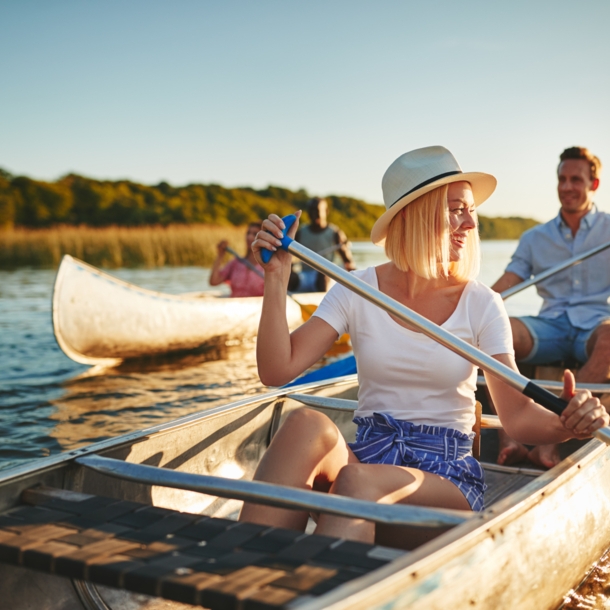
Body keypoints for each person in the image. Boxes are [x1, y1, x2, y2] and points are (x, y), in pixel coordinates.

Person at [238, 146, 607, 548]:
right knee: (303, 425)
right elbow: (276, 371)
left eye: (470, 211)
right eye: (456, 209)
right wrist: (275, 278)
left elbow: (516, 418)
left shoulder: (481, 303)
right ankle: (244, 573)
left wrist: (566, 423)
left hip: (444, 482)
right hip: (368, 458)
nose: (470, 223)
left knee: (358, 482)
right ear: (417, 215)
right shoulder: (357, 289)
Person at [491, 147, 609, 468]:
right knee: (497, 326)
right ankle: (510, 439)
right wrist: (470, 307)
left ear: (593, 185)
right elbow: (508, 282)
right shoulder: (534, 237)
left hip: (594, 326)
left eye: (576, 179)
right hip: (550, 326)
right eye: (562, 179)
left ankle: (554, 433)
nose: (567, 186)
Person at [289, 197, 356, 292]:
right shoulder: (300, 233)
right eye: (310, 211)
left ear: (326, 211)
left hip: (327, 276)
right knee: (290, 277)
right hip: (305, 275)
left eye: (316, 210)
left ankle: (324, 303)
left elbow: (348, 262)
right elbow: (289, 258)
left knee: (323, 274)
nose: (313, 214)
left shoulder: (335, 233)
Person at [209, 221, 265, 297]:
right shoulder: (235, 263)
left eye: (255, 234)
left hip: (258, 307)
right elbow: (214, 281)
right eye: (248, 233)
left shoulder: (268, 266)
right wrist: (220, 255)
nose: (249, 237)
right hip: (235, 306)